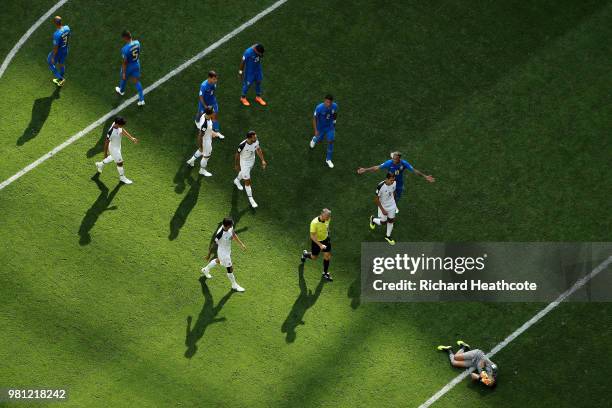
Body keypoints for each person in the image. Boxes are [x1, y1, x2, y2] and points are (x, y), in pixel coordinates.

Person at [357, 151, 435, 211]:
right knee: (388, 196)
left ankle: (393, 205)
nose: (393, 160)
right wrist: (365, 169)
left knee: (397, 197)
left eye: (395, 159)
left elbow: (414, 170)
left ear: (399, 159)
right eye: (393, 158)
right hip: (390, 183)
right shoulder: (389, 163)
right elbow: (377, 167)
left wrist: (425, 176)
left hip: (399, 184)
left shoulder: (404, 163)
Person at [201, 218, 247, 292]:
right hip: (223, 253)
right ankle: (234, 285)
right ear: (227, 226)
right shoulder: (220, 234)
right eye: (231, 225)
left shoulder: (230, 227)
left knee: (218, 261)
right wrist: (208, 255)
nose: (232, 226)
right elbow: (213, 245)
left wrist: (241, 244)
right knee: (230, 269)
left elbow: (233, 234)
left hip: (227, 251)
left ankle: (205, 269)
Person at [95, 116, 139, 184]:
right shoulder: (111, 132)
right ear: (118, 124)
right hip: (114, 149)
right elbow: (106, 143)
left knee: (112, 157)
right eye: (122, 125)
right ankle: (122, 177)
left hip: (117, 146)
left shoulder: (116, 125)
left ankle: (100, 164)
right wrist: (105, 154)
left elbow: (122, 130)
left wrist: (131, 138)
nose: (123, 126)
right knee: (120, 163)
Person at [233, 131, 267, 208]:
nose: (256, 138)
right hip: (244, 163)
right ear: (249, 138)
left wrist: (262, 160)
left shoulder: (256, 141)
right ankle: (251, 199)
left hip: (252, 160)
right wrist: (236, 164)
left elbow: (258, 150)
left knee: (245, 173)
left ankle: (237, 180)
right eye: (254, 137)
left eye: (256, 136)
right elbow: (237, 154)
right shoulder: (242, 145)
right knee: (248, 181)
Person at [186, 106, 222, 176]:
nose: (214, 112)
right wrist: (201, 146)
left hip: (207, 137)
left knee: (200, 151)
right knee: (206, 156)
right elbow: (200, 136)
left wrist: (212, 133)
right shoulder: (205, 125)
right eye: (213, 112)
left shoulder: (204, 115)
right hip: (206, 141)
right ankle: (202, 170)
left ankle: (191, 161)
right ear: (211, 114)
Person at [301, 208, 333, 282]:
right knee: (314, 257)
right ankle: (305, 254)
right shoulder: (314, 223)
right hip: (317, 241)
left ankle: (325, 273)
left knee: (327, 256)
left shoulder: (328, 219)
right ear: (322, 214)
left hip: (326, 239)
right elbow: (312, 236)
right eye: (327, 216)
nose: (328, 218)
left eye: (329, 216)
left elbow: (327, 226)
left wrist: (327, 232)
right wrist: (320, 245)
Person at [115, 30, 145, 106]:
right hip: (136, 64)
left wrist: (124, 73)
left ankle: (121, 91)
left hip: (129, 66)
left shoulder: (125, 49)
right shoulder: (138, 43)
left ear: (125, 38)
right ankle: (142, 100)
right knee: (137, 82)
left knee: (123, 77)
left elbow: (125, 62)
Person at [310, 94, 338, 168]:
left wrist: (334, 123)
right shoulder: (319, 108)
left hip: (330, 127)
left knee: (331, 141)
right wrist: (316, 130)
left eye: (329, 102)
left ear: (332, 102)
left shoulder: (335, 106)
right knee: (319, 140)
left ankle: (328, 159)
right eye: (326, 102)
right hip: (321, 127)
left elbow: (335, 114)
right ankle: (314, 139)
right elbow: (314, 118)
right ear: (324, 100)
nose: (328, 104)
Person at [195, 71, 224, 138]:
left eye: (216, 79)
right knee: (200, 114)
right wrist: (205, 106)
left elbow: (213, 92)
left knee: (215, 115)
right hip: (204, 103)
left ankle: (216, 131)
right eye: (214, 79)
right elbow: (201, 97)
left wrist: (213, 100)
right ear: (209, 78)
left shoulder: (214, 84)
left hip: (212, 102)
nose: (216, 80)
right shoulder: (203, 85)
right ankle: (197, 121)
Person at [370, 173, 398, 245]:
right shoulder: (380, 186)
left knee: (391, 220)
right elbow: (376, 200)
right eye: (391, 180)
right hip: (383, 207)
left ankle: (388, 236)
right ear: (387, 179)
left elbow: (394, 192)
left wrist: (394, 203)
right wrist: (383, 210)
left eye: (393, 180)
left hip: (392, 205)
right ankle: (373, 219)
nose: (392, 182)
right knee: (383, 222)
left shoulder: (394, 182)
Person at [47, 16, 71, 87]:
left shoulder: (56, 34)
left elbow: (55, 48)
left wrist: (53, 57)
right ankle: (60, 79)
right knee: (61, 63)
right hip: (65, 50)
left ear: (55, 23)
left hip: (59, 51)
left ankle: (60, 78)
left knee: (50, 62)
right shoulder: (67, 28)